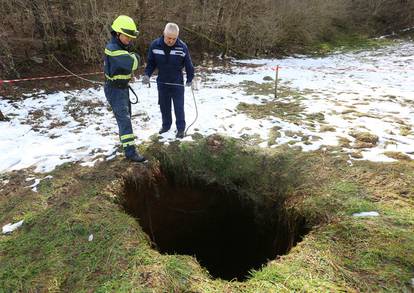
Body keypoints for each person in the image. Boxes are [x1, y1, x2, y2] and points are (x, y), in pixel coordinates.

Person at [104, 15, 146, 162]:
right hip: (115, 90)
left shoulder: (120, 47)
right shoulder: (113, 49)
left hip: (122, 89)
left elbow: (132, 60)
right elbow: (134, 63)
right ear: (117, 33)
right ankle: (130, 152)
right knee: (125, 120)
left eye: (130, 36)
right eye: (127, 36)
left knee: (125, 117)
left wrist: (132, 56)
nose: (129, 39)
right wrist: (134, 56)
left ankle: (126, 143)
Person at [142, 23, 194, 138]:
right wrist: (147, 75)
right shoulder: (155, 45)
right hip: (162, 82)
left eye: (174, 39)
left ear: (177, 37)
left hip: (177, 82)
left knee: (178, 106)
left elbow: (188, 64)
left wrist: (190, 78)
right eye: (169, 38)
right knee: (164, 106)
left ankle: (180, 129)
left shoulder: (182, 47)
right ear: (164, 34)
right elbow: (151, 63)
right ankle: (166, 126)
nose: (171, 41)